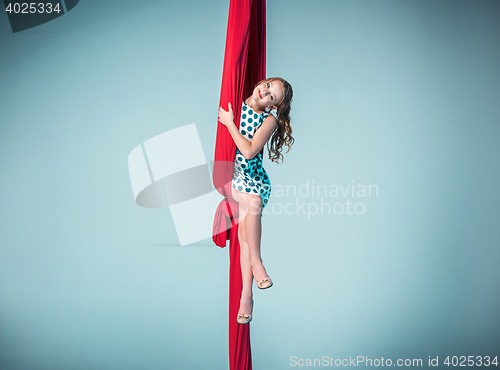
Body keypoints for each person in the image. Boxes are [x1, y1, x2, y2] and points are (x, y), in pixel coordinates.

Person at [218, 77, 294, 324]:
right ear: (263, 81)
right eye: (269, 86)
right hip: (233, 175)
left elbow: (250, 151)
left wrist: (231, 124)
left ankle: (246, 296)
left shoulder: (268, 119)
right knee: (253, 204)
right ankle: (258, 265)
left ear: (272, 106)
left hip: (254, 178)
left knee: (244, 238)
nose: (266, 92)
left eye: (272, 97)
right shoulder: (235, 102)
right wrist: (230, 121)